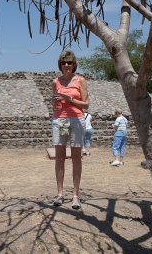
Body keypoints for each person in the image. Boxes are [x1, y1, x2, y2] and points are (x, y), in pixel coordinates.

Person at [51, 50, 89, 209]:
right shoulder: (56, 82)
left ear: (74, 64)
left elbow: (86, 104)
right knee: (59, 158)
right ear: (60, 65)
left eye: (69, 62)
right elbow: (55, 103)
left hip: (77, 119)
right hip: (60, 119)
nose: (67, 65)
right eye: (64, 62)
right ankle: (60, 194)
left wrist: (70, 99)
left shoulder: (80, 80)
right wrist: (54, 102)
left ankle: (75, 195)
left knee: (76, 158)